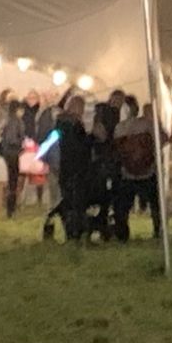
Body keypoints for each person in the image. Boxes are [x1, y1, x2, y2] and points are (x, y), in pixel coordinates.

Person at [47, 91, 100, 243]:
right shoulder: (71, 124)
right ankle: (74, 233)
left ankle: (72, 232)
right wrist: (92, 137)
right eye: (81, 107)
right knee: (74, 203)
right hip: (75, 170)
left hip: (67, 169)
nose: (83, 111)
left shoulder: (63, 123)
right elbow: (79, 146)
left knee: (70, 201)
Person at [111, 95, 161, 240]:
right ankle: (158, 230)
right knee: (154, 204)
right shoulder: (147, 124)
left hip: (127, 173)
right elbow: (161, 140)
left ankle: (122, 235)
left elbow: (116, 151)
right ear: (137, 108)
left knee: (123, 206)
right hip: (149, 171)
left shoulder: (119, 128)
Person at [0, 91, 27, 219]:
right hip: (13, 153)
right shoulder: (16, 121)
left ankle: (10, 208)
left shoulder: (5, 120)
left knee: (10, 180)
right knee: (13, 180)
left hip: (6, 152)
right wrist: (21, 143)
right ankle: (11, 209)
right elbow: (15, 138)